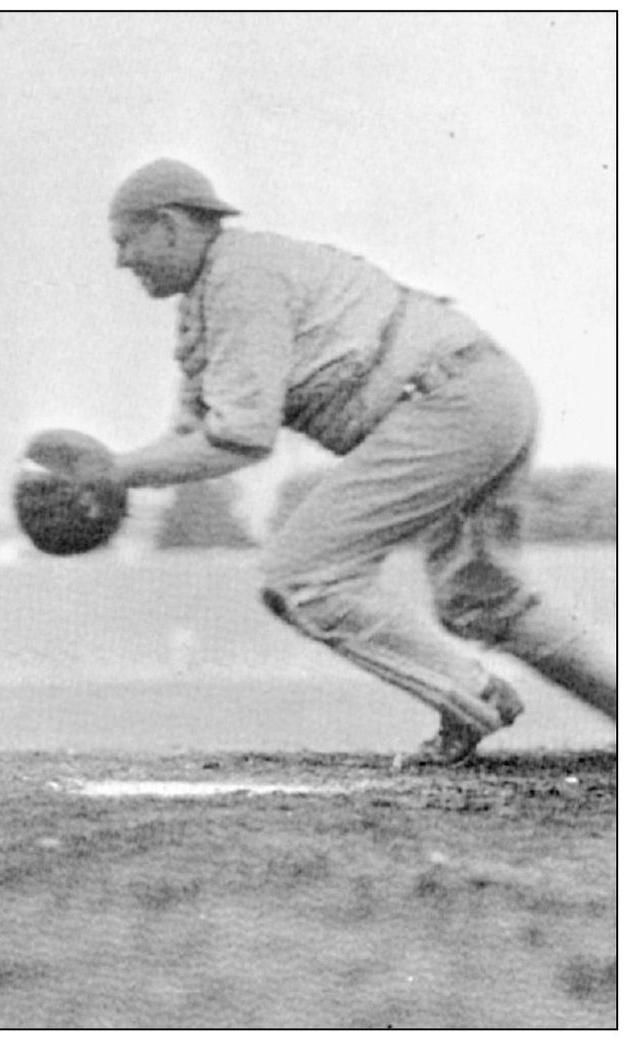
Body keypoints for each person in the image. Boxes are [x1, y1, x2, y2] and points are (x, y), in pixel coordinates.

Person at [79, 157, 615, 765]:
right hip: (483, 391)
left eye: (127, 240)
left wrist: (113, 472)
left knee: (302, 571)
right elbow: (194, 434)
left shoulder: (239, 278)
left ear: (170, 225)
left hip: (445, 401)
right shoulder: (216, 294)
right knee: (481, 595)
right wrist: (115, 479)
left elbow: (240, 438)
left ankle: (470, 695)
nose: (122, 260)